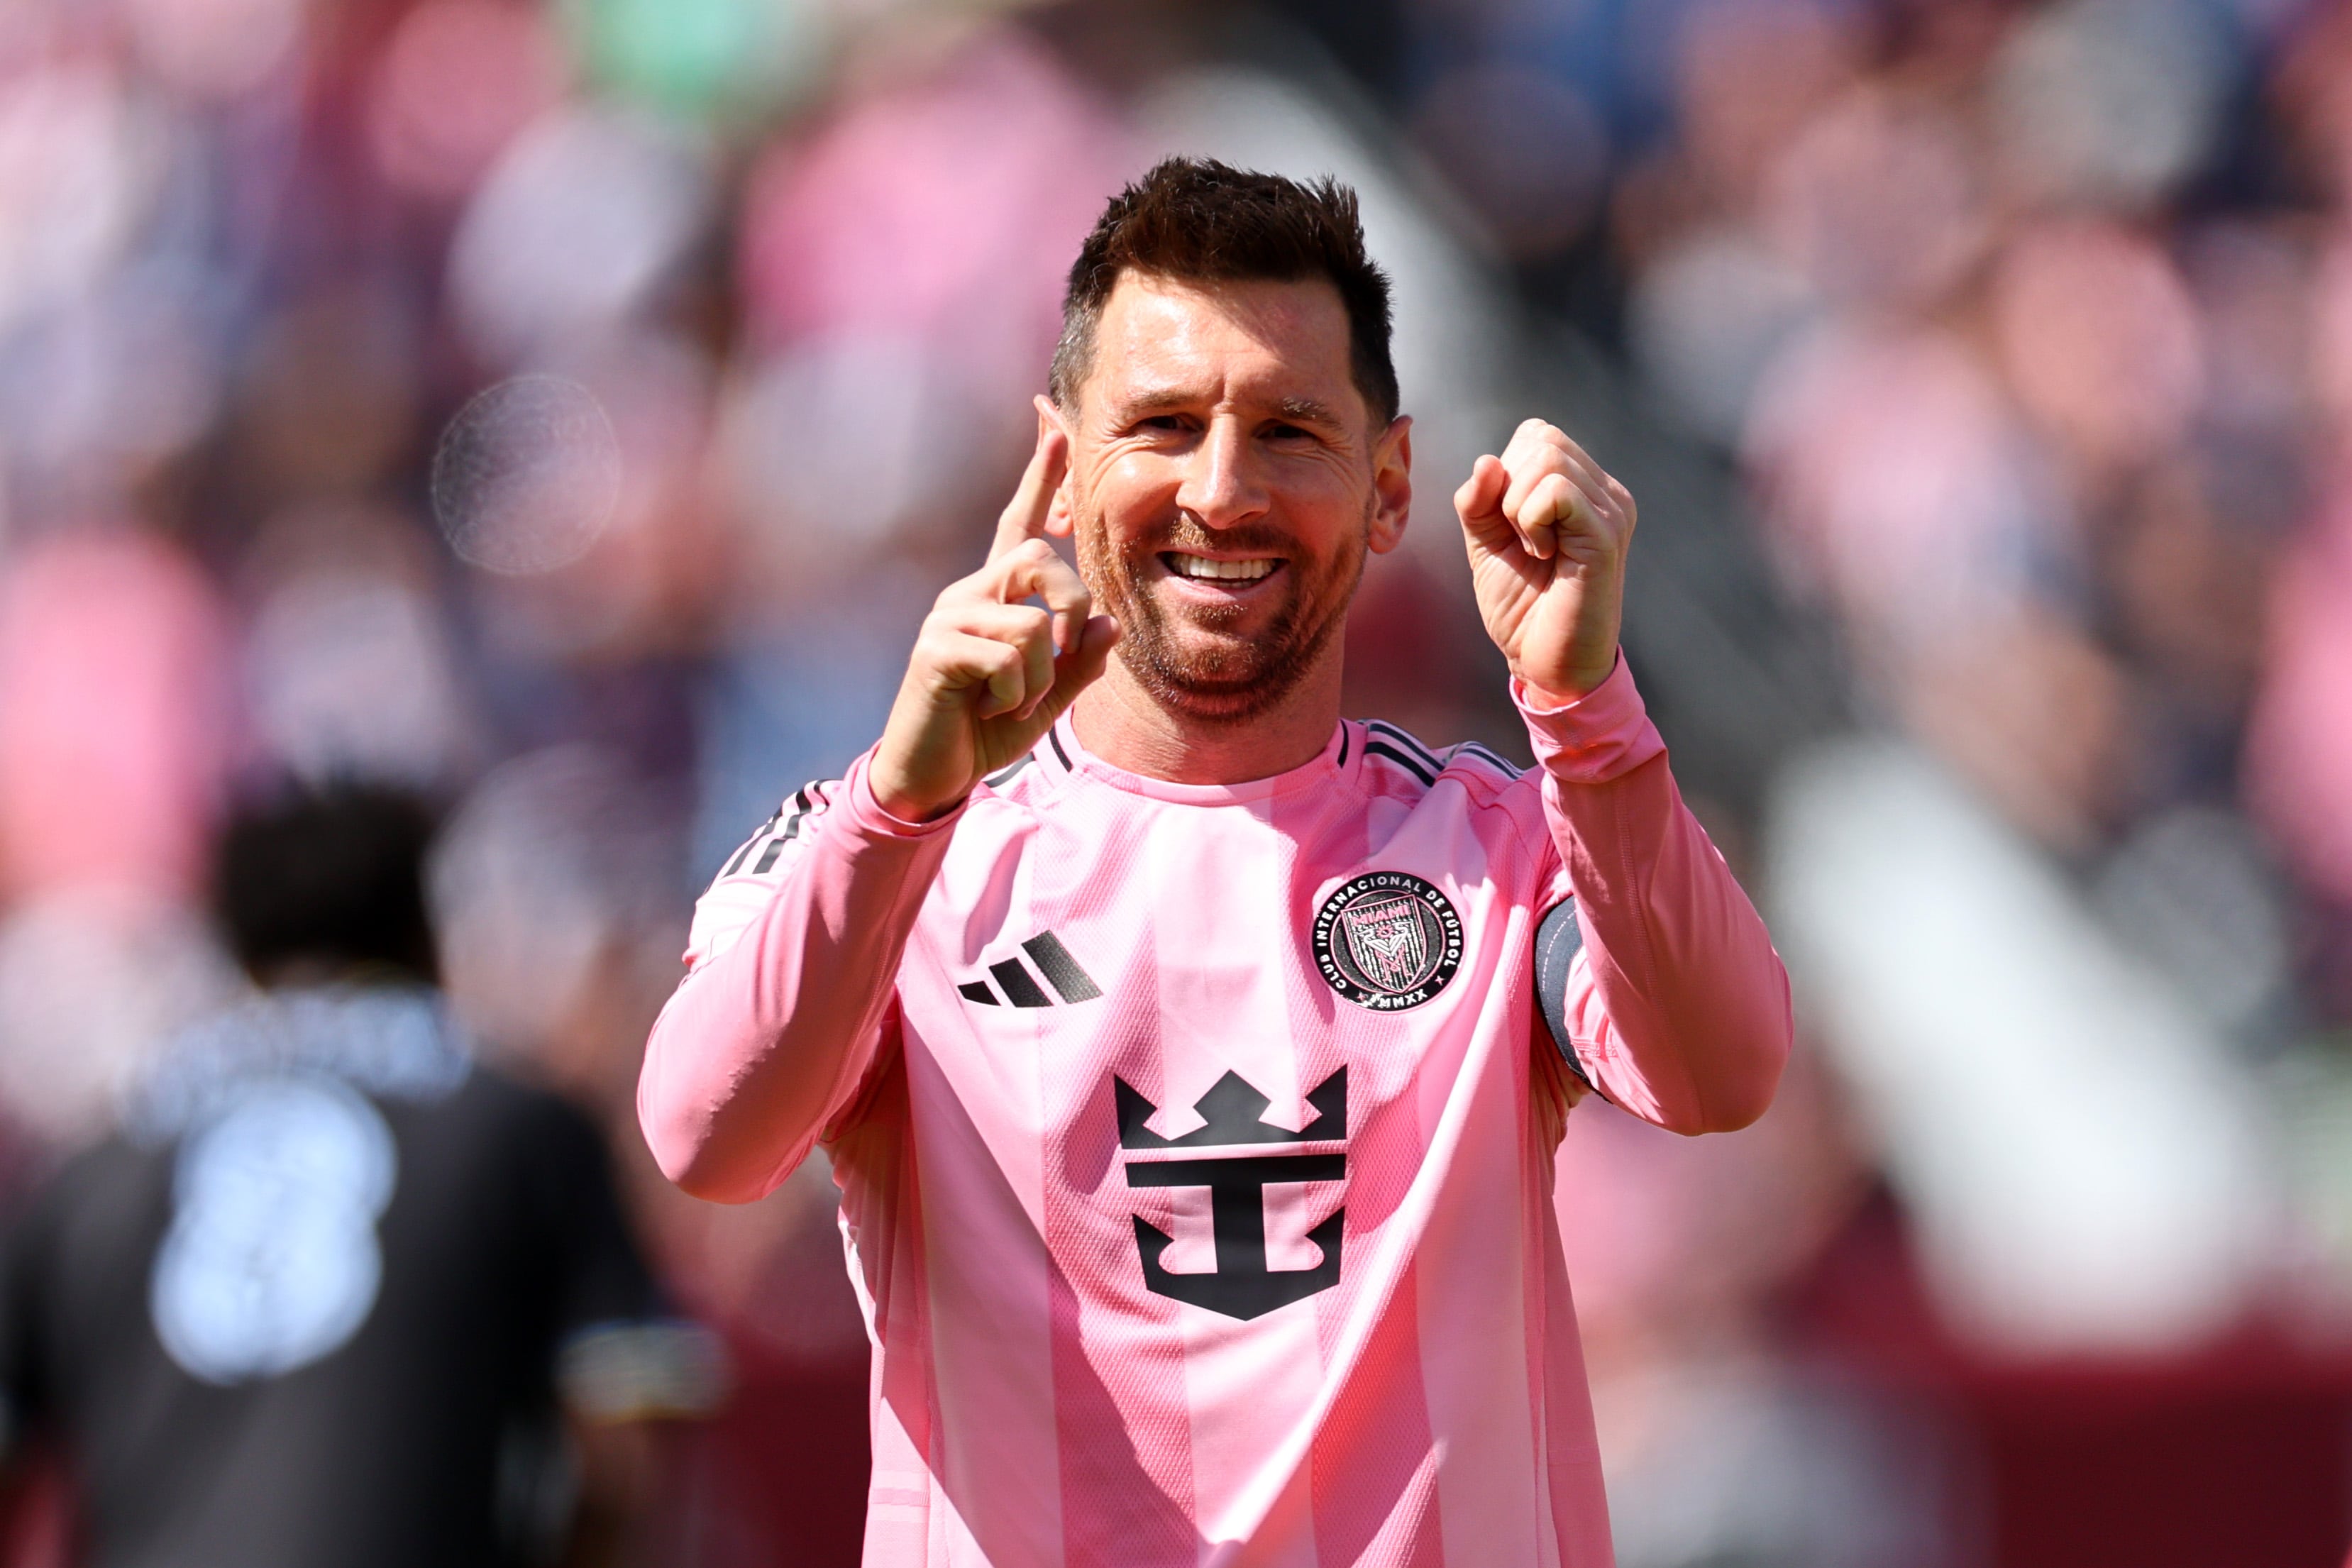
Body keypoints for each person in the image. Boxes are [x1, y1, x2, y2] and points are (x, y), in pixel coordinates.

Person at [639, 158, 1791, 1565]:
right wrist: (897, 805)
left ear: (1387, 489)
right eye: (1165, 426)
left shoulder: (1503, 843)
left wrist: (1587, 708)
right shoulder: (886, 848)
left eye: (1289, 430)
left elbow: (1718, 1072)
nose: (1223, 490)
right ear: (1060, 471)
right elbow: (705, 1141)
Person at [0, 785, 717, 1568]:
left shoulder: (97, 1161)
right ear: (425, 934)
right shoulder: (519, 1124)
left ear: (232, 943)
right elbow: (624, 1443)